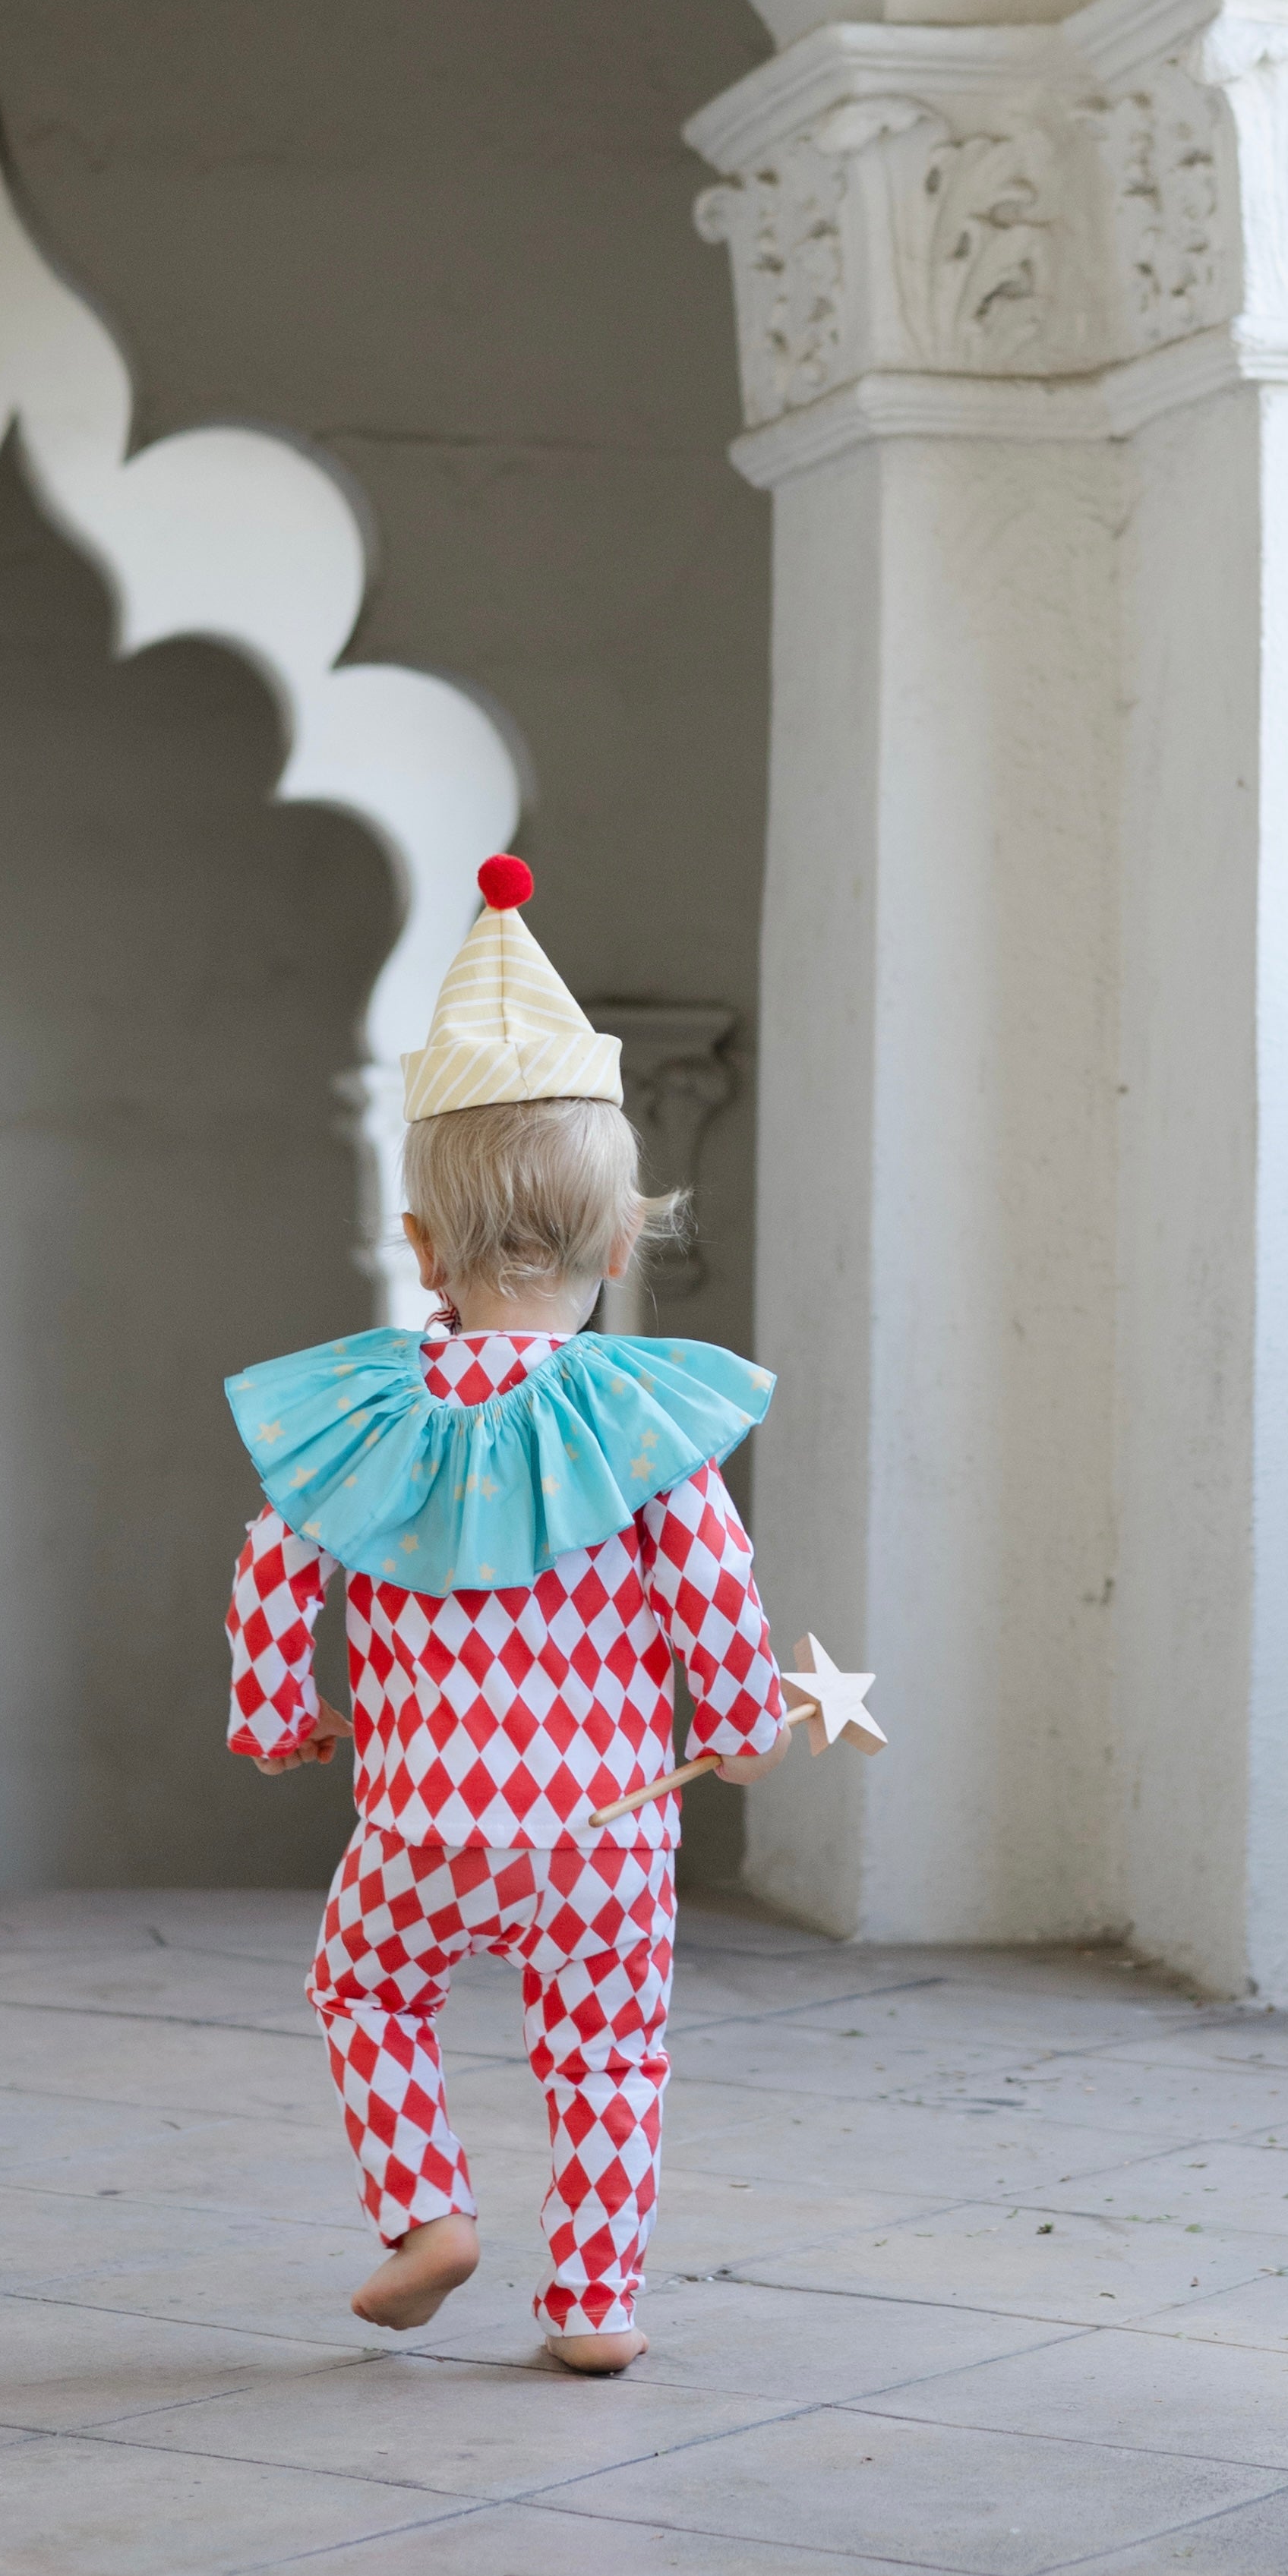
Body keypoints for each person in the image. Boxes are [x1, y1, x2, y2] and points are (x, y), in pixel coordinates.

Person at [222, 854, 784, 2374]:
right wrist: (737, 1719)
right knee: (607, 2052)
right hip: (609, 1814)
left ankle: (427, 2212)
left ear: (421, 1250)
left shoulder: (370, 1417)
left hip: (422, 1814)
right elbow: (709, 1573)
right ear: (621, 1247)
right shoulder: (636, 1423)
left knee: (364, 1982)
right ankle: (593, 2302)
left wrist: (279, 1709)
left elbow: (281, 1553)